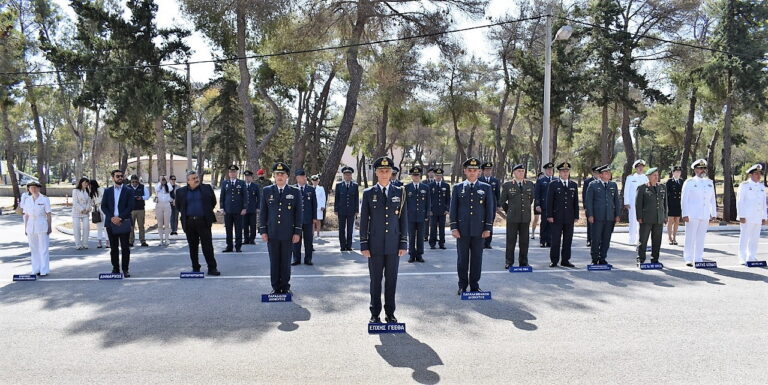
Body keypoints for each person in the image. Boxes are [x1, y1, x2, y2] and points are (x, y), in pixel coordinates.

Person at [360, 156, 408, 324]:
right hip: (374, 245)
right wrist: (364, 244)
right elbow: (364, 220)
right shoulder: (368, 193)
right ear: (376, 172)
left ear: (391, 173)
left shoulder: (400, 192)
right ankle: (374, 313)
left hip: (394, 245)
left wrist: (403, 242)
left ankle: (390, 313)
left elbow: (403, 219)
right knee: (375, 281)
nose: (384, 173)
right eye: (381, 170)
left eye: (387, 171)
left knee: (391, 280)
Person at [450, 157, 495, 294]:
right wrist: (454, 227)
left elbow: (489, 209)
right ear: (465, 171)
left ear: (479, 172)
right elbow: (453, 209)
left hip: (479, 230)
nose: (472, 172)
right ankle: (462, 285)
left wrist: (488, 228)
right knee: (462, 259)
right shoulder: (458, 188)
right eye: (469, 170)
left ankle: (474, 285)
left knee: (477, 259)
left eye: (475, 170)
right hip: (462, 231)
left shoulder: (486, 188)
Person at [259, 162, 302, 294]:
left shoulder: (294, 192)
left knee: (285, 261)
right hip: (272, 233)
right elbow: (263, 213)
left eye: (282, 174)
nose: (279, 176)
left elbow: (298, 213)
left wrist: (297, 232)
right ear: (273, 176)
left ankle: (285, 286)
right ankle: (275, 287)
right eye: (277, 174)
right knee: (274, 261)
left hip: (288, 233)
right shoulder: (267, 191)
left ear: (287, 176)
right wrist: (263, 230)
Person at [174, 171, 220, 275]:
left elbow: (213, 202)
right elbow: (178, 206)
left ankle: (212, 268)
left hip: (203, 221)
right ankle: (195, 267)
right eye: (193, 178)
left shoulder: (207, 188)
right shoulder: (180, 192)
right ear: (188, 181)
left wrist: (205, 213)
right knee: (193, 246)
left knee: (207, 246)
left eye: (197, 177)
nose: (196, 179)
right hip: (189, 222)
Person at [681, 159, 717, 267]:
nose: (702, 170)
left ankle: (698, 257)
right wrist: (685, 214)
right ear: (695, 170)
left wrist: (713, 213)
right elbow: (684, 199)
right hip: (692, 214)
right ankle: (688, 258)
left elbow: (712, 199)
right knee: (690, 237)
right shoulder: (690, 182)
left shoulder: (709, 182)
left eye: (704, 168)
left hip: (704, 214)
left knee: (701, 237)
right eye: (700, 168)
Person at [584, 165, 622, 265]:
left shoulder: (613, 185)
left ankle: (602, 258)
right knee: (596, 239)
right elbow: (589, 201)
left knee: (606, 239)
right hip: (597, 217)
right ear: (600, 175)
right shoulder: (593, 185)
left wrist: (617, 214)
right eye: (606, 173)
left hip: (609, 217)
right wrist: (590, 215)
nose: (608, 174)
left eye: (609, 172)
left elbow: (616, 201)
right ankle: (594, 258)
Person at [500, 164, 534, 269]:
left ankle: (524, 261)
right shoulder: (507, 185)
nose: (521, 173)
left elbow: (531, 199)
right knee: (511, 240)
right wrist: (509, 210)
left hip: (525, 217)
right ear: (514, 173)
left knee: (524, 241)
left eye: (522, 171)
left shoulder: (530, 184)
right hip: (512, 217)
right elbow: (502, 201)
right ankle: (509, 261)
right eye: (519, 171)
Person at [101, 170, 135, 277]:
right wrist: (112, 218)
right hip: (111, 223)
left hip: (123, 222)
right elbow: (103, 206)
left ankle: (125, 269)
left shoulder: (128, 190)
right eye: (117, 176)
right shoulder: (107, 191)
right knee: (113, 248)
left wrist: (120, 217)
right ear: (113, 178)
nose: (120, 178)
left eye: (121, 176)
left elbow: (130, 206)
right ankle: (115, 269)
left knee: (125, 247)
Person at [546, 162, 579, 268]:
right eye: (563, 171)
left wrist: (576, 215)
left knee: (568, 240)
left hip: (569, 217)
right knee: (556, 240)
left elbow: (575, 202)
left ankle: (565, 260)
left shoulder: (573, 185)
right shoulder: (553, 184)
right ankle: (554, 260)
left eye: (567, 171)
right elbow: (549, 201)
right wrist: (549, 215)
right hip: (556, 217)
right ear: (559, 173)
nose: (565, 173)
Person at [736, 164, 767, 265]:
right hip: (747, 216)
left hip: (757, 216)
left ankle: (752, 256)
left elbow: (763, 204)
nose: (759, 175)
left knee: (755, 237)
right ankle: (742, 257)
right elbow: (740, 201)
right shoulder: (744, 185)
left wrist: (764, 217)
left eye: (760, 173)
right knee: (745, 236)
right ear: (750, 175)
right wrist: (741, 215)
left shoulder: (762, 187)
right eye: (756, 173)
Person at [635, 167, 667, 264]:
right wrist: (639, 217)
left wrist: (665, 216)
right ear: (648, 177)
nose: (656, 177)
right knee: (643, 240)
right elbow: (638, 204)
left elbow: (665, 203)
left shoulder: (662, 187)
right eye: (654, 175)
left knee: (657, 240)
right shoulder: (642, 188)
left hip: (658, 218)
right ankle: (641, 258)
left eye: (657, 175)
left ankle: (655, 259)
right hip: (646, 218)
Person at [22, 182, 51, 276]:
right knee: (33, 249)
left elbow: (48, 214)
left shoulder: (44, 199)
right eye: (31, 188)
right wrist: (25, 227)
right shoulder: (27, 200)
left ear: (39, 189)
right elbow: (26, 215)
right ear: (29, 189)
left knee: (43, 248)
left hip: (42, 224)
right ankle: (36, 269)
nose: (33, 189)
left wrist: (49, 226)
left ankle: (44, 269)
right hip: (31, 225)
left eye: (35, 188)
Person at [292, 169, 317, 265]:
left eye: (304, 177)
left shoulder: (311, 189)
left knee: (308, 240)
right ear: (297, 178)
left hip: (308, 219)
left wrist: (314, 217)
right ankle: (296, 259)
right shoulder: (293, 189)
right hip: (296, 220)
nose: (303, 179)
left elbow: (314, 204)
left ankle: (308, 259)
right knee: (296, 240)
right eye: (301, 177)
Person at [405, 166, 430, 263]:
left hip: (421, 216)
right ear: (411, 176)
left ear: (420, 176)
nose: (416, 177)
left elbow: (428, 202)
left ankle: (419, 255)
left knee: (420, 237)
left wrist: (427, 215)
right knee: (411, 237)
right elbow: (404, 203)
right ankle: (411, 255)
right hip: (410, 216)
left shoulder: (425, 187)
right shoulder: (406, 188)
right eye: (414, 175)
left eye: (417, 175)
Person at [220, 165, 247, 253]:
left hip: (238, 210)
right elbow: (222, 197)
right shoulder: (225, 183)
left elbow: (245, 197)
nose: (232, 173)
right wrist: (222, 208)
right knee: (228, 229)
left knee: (238, 229)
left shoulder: (241, 183)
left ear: (236, 173)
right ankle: (229, 246)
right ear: (229, 173)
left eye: (234, 172)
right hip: (227, 211)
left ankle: (238, 246)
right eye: (231, 172)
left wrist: (244, 208)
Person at [623, 159, 648, 245]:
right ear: (635, 168)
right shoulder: (630, 178)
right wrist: (626, 202)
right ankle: (632, 239)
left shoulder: (646, 178)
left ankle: (640, 240)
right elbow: (626, 190)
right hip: (633, 203)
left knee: (642, 222)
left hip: (644, 204)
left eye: (642, 167)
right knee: (633, 221)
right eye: (638, 167)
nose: (640, 168)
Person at [334, 166, 359, 252]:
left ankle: (349, 246)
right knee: (341, 229)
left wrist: (356, 210)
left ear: (351, 175)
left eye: (349, 175)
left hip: (351, 211)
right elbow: (336, 198)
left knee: (350, 229)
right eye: (346, 175)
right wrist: (336, 209)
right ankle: (342, 245)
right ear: (343, 176)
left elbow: (356, 198)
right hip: (341, 210)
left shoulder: (355, 186)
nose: (347, 176)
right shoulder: (339, 185)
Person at [480, 162, 501, 249]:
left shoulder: (495, 181)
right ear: (483, 171)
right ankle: (481, 242)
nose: (488, 172)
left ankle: (488, 243)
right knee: (480, 224)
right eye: (486, 170)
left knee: (489, 223)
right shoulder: (480, 180)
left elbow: (498, 194)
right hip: (481, 206)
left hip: (491, 206)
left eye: (489, 170)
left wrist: (498, 205)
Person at [428, 168, 450, 250]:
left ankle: (442, 243)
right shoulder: (430, 186)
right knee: (433, 228)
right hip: (433, 211)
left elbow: (448, 198)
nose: (438, 177)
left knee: (442, 228)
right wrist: (429, 209)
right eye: (437, 175)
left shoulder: (446, 186)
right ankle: (432, 243)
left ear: (442, 176)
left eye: (440, 175)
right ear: (434, 175)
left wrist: (447, 209)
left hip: (442, 211)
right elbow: (428, 199)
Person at [534, 162, 556, 247]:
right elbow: (537, 194)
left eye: (551, 169)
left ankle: (550, 240)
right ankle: (542, 240)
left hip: (554, 206)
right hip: (544, 205)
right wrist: (537, 205)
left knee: (552, 224)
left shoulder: (556, 180)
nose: (550, 171)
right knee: (544, 223)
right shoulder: (541, 181)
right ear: (545, 170)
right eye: (548, 169)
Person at [127, 175, 149, 247]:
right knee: (130, 226)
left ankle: (143, 241)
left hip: (140, 209)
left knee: (141, 226)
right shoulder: (127, 187)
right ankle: (130, 241)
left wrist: (141, 197)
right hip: (131, 210)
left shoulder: (142, 187)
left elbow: (147, 196)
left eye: (136, 181)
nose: (134, 183)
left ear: (138, 181)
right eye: (132, 181)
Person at [71, 177, 92, 250]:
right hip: (77, 212)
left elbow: (89, 201)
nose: (86, 184)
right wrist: (81, 209)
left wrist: (87, 209)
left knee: (86, 227)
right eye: (85, 182)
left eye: (87, 183)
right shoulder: (75, 191)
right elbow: (75, 202)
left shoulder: (88, 191)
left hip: (86, 212)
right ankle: (78, 244)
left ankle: (85, 243)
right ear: (81, 183)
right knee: (77, 228)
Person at [666, 166, 684, 245]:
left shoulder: (681, 181)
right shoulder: (669, 181)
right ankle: (669, 238)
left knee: (677, 221)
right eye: (676, 172)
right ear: (673, 173)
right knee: (670, 221)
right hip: (671, 204)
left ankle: (674, 237)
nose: (678, 173)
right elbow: (666, 194)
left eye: (679, 172)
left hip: (678, 204)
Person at [582, 166, 600, 247]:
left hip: (599, 207)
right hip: (590, 206)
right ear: (593, 173)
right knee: (590, 225)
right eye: (596, 172)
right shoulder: (588, 181)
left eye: (598, 173)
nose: (597, 174)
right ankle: (589, 240)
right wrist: (585, 207)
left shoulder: (602, 181)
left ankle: (598, 240)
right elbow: (584, 195)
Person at [154, 175, 174, 247]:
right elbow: (156, 189)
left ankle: (167, 239)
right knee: (159, 224)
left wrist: (167, 180)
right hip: (159, 205)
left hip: (167, 205)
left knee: (166, 224)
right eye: (162, 179)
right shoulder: (158, 186)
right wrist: (160, 181)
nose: (163, 181)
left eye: (164, 179)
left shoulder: (168, 186)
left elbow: (171, 188)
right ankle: (161, 240)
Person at [242, 170, 261, 245]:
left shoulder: (255, 186)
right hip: (244, 209)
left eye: (249, 177)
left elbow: (258, 198)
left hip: (253, 209)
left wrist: (258, 207)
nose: (247, 178)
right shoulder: (242, 185)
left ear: (251, 178)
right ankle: (246, 239)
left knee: (253, 225)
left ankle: (252, 239)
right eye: (246, 177)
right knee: (245, 225)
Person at [89, 179, 106, 248]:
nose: (89, 186)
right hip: (97, 208)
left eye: (90, 184)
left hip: (103, 207)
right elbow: (91, 202)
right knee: (99, 226)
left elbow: (105, 198)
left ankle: (107, 242)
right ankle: (99, 242)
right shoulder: (92, 192)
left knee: (105, 226)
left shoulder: (101, 189)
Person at [531, 172, 543, 240]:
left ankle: (542, 233)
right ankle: (532, 233)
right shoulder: (535, 185)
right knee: (536, 219)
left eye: (542, 176)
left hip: (545, 203)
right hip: (537, 202)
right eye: (540, 176)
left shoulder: (547, 183)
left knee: (544, 220)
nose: (541, 178)